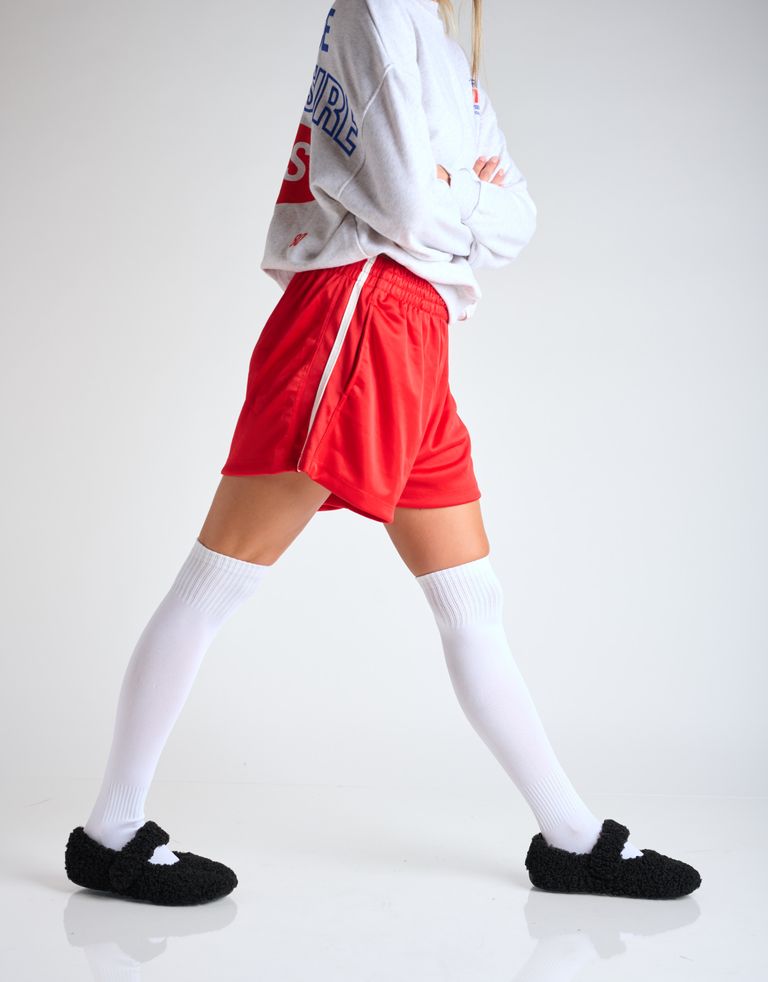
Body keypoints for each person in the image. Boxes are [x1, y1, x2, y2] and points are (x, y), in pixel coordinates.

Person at [65, 0, 701, 905]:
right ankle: (111, 831)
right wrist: (460, 192)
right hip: (358, 315)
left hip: (421, 330)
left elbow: (518, 219)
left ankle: (572, 840)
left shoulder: (450, 50)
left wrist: (453, 190)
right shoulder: (377, 8)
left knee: (472, 600)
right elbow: (407, 203)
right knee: (217, 580)